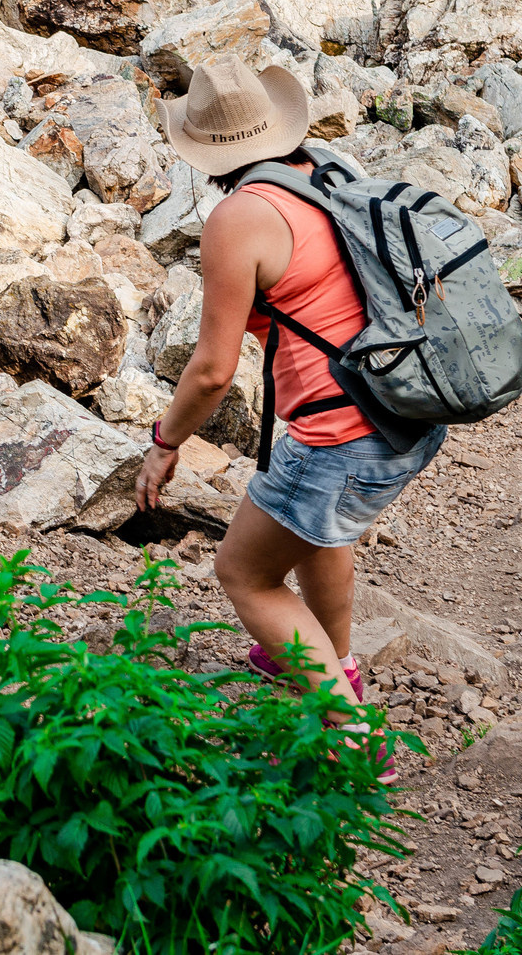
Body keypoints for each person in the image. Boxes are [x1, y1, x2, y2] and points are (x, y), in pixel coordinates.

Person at [134, 55, 444, 735]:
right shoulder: (327, 173)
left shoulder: (239, 217)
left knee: (244, 572)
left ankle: (352, 740)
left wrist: (163, 443)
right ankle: (336, 664)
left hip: (341, 440)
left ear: (204, 150)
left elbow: (212, 371)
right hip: (407, 411)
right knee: (315, 529)